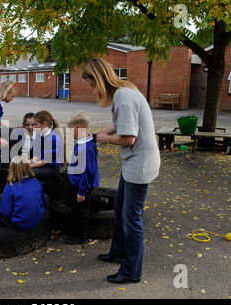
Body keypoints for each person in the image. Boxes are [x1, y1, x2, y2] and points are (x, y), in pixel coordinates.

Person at [82, 57, 160, 284]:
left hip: (140, 163)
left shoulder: (124, 97)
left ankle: (131, 271)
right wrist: (97, 134)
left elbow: (128, 137)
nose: (90, 87)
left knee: (131, 218)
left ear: (98, 78)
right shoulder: (123, 92)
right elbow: (119, 125)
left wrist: (106, 140)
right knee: (119, 209)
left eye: (90, 82)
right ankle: (117, 253)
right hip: (134, 161)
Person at [63, 110, 100, 245]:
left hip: (82, 185)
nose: (69, 132)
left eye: (70, 129)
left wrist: (82, 191)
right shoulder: (84, 141)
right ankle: (97, 202)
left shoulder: (86, 147)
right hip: (77, 182)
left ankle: (80, 236)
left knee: (81, 212)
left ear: (78, 128)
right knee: (75, 207)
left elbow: (88, 171)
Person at [0, 156, 47, 230]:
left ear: (11, 169)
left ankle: (1, 225)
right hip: (36, 221)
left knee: (1, 197)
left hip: (18, 223)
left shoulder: (10, 186)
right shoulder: (36, 181)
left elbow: (5, 212)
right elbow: (44, 202)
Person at [30, 110, 65, 184]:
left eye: (36, 124)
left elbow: (43, 163)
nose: (33, 127)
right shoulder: (40, 135)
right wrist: (25, 163)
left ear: (44, 124)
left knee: (25, 173)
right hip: (44, 166)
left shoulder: (53, 138)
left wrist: (27, 167)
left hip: (52, 169)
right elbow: (36, 157)